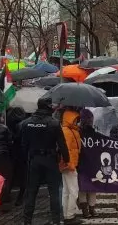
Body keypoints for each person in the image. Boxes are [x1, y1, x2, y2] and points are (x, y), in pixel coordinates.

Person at [21, 96, 70, 225]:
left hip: (34, 160)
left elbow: (23, 145)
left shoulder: (26, 123)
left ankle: (27, 221)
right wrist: (66, 159)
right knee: (54, 192)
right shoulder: (54, 123)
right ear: (49, 107)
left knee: (31, 192)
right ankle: (56, 220)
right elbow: (62, 143)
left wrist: (26, 161)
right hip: (50, 160)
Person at [60, 106, 82, 225]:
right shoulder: (67, 131)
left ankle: (66, 213)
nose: (77, 121)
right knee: (73, 190)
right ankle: (69, 215)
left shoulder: (71, 130)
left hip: (68, 164)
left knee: (67, 191)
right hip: (70, 164)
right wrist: (70, 164)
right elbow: (67, 149)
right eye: (75, 119)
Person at [6, 107, 28, 206]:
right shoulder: (25, 124)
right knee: (23, 175)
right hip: (24, 153)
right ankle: (20, 197)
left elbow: (14, 138)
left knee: (12, 174)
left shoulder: (11, 123)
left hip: (15, 152)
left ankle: (8, 195)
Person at [78, 109, 97, 219]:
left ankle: (88, 209)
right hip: (87, 162)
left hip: (84, 162)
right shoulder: (80, 131)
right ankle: (89, 208)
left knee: (84, 187)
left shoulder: (90, 131)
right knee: (88, 187)